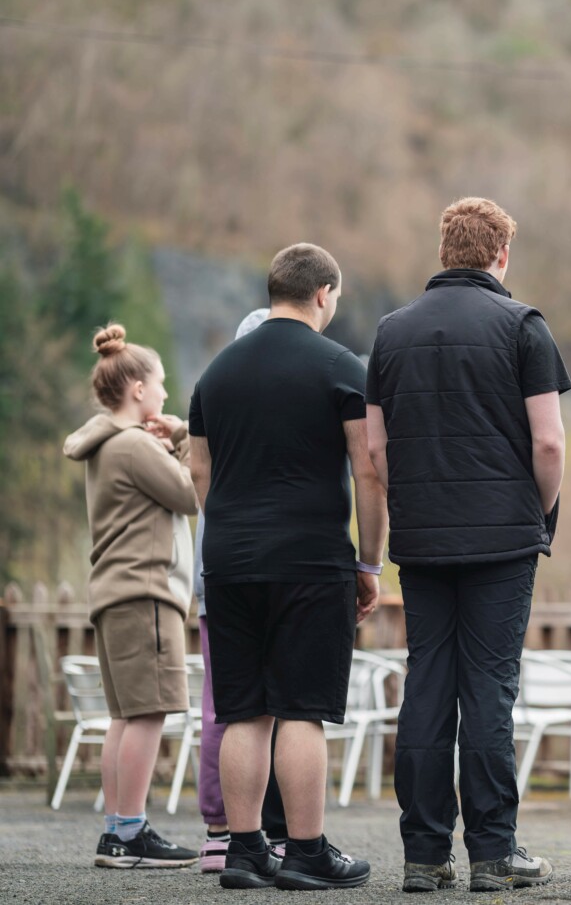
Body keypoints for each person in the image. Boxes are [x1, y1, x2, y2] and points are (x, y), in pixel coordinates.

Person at [365, 197, 566, 893]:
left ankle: (423, 852)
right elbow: (549, 440)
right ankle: (492, 850)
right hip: (502, 537)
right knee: (488, 686)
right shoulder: (523, 326)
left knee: (427, 682)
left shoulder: (390, 333)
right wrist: (535, 514)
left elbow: (375, 447)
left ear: (444, 249)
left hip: (421, 536)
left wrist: (409, 507)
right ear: (500, 254)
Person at [188, 243, 387, 891]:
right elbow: (368, 468)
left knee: (243, 709)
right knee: (301, 707)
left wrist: (229, 524)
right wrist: (369, 560)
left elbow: (197, 469)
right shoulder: (340, 367)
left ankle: (245, 851)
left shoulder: (216, 373)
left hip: (229, 556)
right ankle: (304, 851)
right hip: (308, 556)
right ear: (324, 294)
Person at [64, 324, 199, 869]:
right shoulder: (134, 445)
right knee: (148, 714)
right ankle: (132, 832)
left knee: (124, 716)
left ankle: (117, 829)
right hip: (146, 591)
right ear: (137, 389)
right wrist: (186, 437)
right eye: (160, 384)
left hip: (114, 592)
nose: (165, 394)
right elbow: (192, 494)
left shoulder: (104, 446)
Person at [190, 308, 289, 874]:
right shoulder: (282, 403)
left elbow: (199, 475)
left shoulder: (216, 394)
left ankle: (224, 832)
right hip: (269, 564)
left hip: (219, 562)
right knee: (259, 707)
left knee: (226, 704)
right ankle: (233, 828)